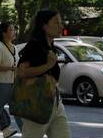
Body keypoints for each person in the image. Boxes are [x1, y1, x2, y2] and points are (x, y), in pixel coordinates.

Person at [17, 9, 71, 138]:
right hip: (37, 102)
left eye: (61, 22)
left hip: (55, 102)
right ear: (44, 26)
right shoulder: (34, 45)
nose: (61, 26)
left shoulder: (50, 45)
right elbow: (22, 71)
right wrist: (48, 65)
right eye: (56, 22)